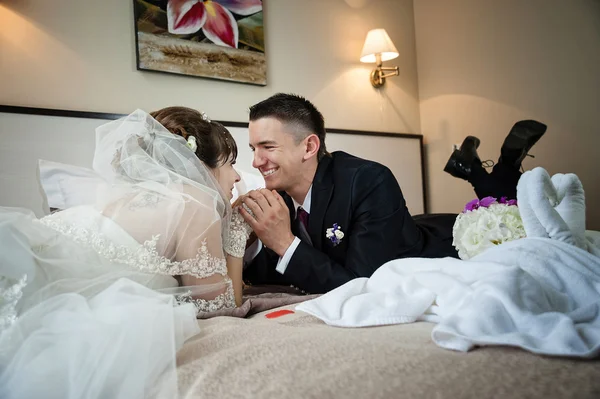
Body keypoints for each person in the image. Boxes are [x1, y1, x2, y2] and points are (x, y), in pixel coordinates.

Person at [0, 107, 253, 398]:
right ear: (200, 164)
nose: (236, 177)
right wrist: (236, 235)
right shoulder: (196, 202)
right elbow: (218, 309)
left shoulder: (124, 198)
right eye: (231, 163)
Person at [239, 93, 546, 295]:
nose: (255, 161)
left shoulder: (368, 180)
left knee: (510, 219)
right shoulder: (277, 199)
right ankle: (476, 168)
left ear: (308, 146)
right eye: (254, 149)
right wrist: (252, 244)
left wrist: (284, 242)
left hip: (447, 247)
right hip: (398, 229)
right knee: (498, 201)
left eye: (268, 147)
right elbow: (277, 276)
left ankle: (499, 168)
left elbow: (363, 286)